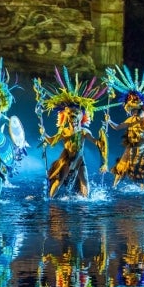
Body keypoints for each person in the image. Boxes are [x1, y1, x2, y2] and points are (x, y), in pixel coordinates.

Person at [34, 69, 108, 198]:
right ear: (67, 117)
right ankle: (50, 199)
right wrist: (44, 133)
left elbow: (97, 142)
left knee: (85, 181)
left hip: (80, 160)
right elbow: (52, 142)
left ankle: (85, 201)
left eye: (76, 115)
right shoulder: (65, 131)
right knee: (59, 180)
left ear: (81, 117)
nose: (73, 118)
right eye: (71, 115)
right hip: (67, 159)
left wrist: (102, 141)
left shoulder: (84, 131)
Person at [103, 65, 144, 189]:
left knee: (140, 171)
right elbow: (118, 127)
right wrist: (109, 121)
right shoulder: (131, 119)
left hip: (143, 149)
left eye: (136, 108)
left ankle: (142, 191)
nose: (133, 112)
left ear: (142, 107)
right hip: (130, 147)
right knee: (121, 166)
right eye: (132, 109)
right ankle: (114, 187)